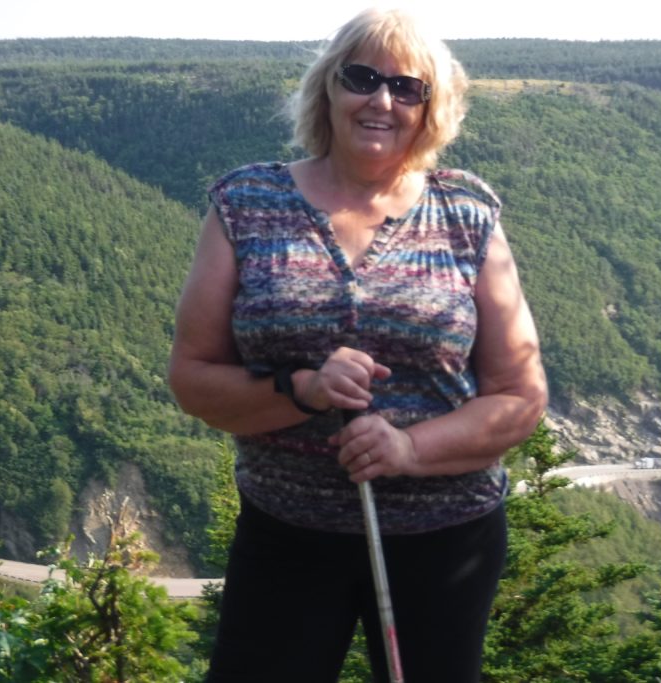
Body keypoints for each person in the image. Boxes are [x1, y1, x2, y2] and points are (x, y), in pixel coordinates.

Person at [169, 7, 548, 682]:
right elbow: (193, 378)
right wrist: (303, 388)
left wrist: (408, 449)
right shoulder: (246, 204)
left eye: (407, 88)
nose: (382, 99)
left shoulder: (467, 214)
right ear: (328, 89)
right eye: (362, 78)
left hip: (446, 540)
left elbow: (520, 397)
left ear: (432, 108)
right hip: (286, 534)